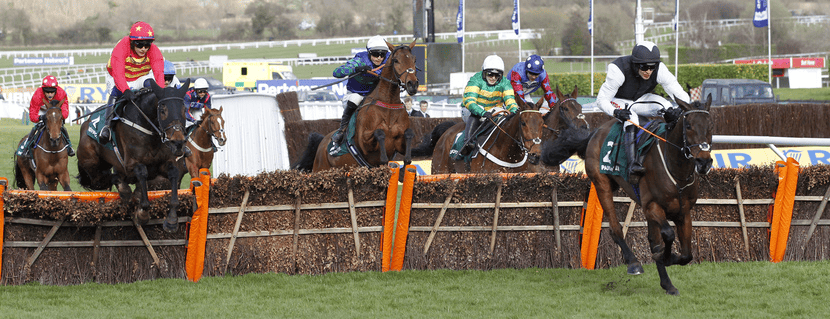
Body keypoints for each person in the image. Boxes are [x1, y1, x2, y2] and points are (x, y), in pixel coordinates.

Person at [595, 41, 690, 178]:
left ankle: (673, 152)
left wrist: (679, 110)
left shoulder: (660, 69)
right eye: (645, 67)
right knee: (631, 118)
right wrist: (616, 112)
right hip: (618, 101)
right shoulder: (618, 69)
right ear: (635, 64)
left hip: (641, 99)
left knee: (667, 107)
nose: (649, 71)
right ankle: (632, 163)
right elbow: (601, 100)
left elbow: (680, 95)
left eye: (652, 67)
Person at [99, 21, 166, 142]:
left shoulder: (154, 51)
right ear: (132, 42)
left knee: (152, 84)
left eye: (147, 45)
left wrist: (161, 92)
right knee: (117, 91)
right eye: (140, 45)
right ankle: (107, 126)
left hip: (139, 76)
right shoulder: (122, 47)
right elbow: (118, 73)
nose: (144, 49)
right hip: (117, 76)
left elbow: (159, 73)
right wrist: (125, 90)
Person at [330, 35, 389, 146]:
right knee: (356, 98)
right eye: (376, 54)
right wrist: (356, 68)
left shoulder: (389, 59)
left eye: (382, 54)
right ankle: (342, 130)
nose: (379, 58)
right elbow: (336, 72)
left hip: (376, 97)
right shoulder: (360, 59)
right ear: (369, 53)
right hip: (356, 95)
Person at [459, 55, 519, 156]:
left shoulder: (505, 83)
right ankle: (468, 143)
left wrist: (513, 111)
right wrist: (482, 113)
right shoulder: (475, 80)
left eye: (497, 75)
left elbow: (510, 101)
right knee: (477, 114)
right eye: (490, 74)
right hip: (471, 110)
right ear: (484, 73)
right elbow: (470, 102)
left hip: (493, 111)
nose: (493, 78)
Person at [22, 75, 75, 157]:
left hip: (55, 114)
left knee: (62, 128)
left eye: (52, 92)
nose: (50, 94)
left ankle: (69, 147)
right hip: (42, 112)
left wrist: (60, 117)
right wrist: (40, 118)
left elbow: (65, 111)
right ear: (43, 90)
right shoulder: (38, 94)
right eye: (47, 92)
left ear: (56, 90)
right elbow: (32, 114)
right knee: (36, 128)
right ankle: (26, 149)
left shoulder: (61, 93)